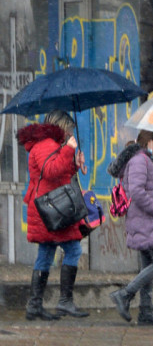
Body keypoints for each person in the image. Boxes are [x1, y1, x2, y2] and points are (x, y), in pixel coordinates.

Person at [17, 110, 88, 320]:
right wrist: (68, 151)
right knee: (74, 249)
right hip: (51, 209)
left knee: (46, 254)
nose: (70, 134)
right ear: (61, 126)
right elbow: (50, 171)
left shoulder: (50, 144)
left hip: (51, 208)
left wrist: (74, 164)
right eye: (69, 129)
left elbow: (59, 174)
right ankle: (65, 302)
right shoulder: (46, 144)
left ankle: (34, 305)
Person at [108, 130, 153, 326]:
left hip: (144, 220)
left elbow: (146, 185)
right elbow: (136, 190)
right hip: (146, 220)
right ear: (149, 141)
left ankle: (145, 311)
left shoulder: (143, 159)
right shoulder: (139, 160)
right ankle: (125, 294)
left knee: (147, 265)